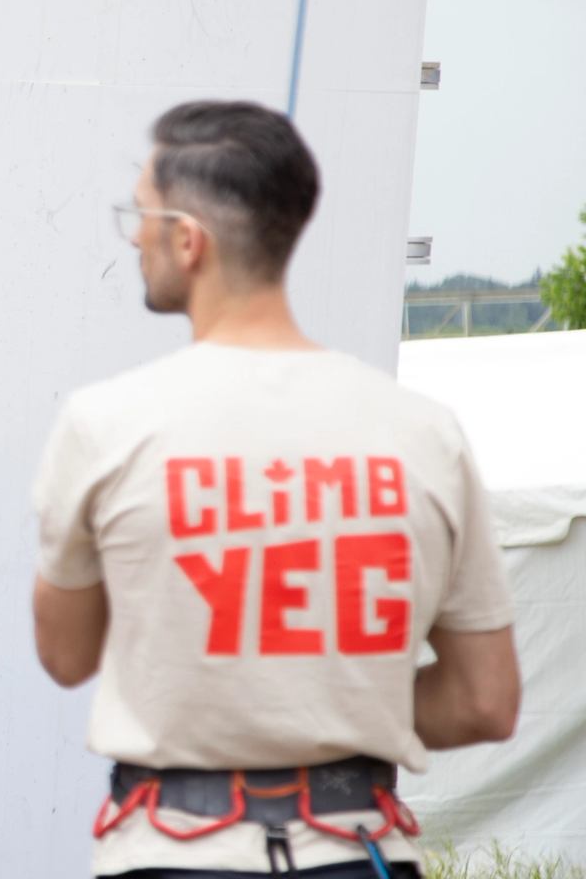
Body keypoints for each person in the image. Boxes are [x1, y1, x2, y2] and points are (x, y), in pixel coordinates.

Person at [31, 101, 520, 878]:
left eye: (142, 212)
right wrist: (333, 704)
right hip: (360, 848)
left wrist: (238, 701)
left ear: (188, 241)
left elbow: (64, 654)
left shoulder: (105, 426)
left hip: (174, 852)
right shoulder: (426, 433)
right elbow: (484, 700)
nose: (132, 235)